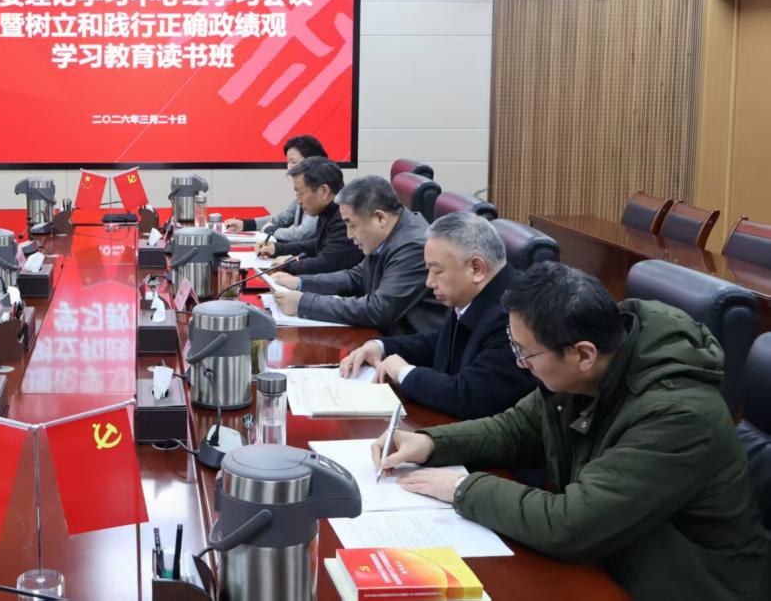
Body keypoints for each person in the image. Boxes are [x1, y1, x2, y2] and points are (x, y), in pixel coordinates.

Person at [375, 262, 771, 600]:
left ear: (583, 354)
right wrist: (430, 443)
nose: (521, 364)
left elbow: (571, 524)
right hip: (613, 564)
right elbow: (516, 428)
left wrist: (463, 488)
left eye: (525, 352)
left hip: (687, 587)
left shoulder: (678, 414)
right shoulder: (589, 370)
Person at [340, 211, 533, 419]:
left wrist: (404, 373)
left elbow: (472, 396)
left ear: (476, 268)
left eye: (437, 271)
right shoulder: (473, 294)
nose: (429, 282)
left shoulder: (514, 315)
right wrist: (381, 347)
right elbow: (439, 342)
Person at [270, 174, 443, 332]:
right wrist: (300, 282)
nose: (349, 234)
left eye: (351, 225)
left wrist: (304, 303)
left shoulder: (412, 247)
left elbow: (378, 310)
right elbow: (355, 277)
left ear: (380, 218)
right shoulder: (389, 233)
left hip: (405, 345)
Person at [257, 156, 362, 275]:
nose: (298, 200)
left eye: (300, 193)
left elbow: (327, 264)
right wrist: (277, 249)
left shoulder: (344, 217)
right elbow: (318, 244)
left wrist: (288, 265)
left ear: (324, 191)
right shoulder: (329, 210)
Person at [224, 134, 326, 244]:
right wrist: (245, 224)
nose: (289, 167)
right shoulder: (306, 189)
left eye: (294, 162)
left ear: (312, 161)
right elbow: (283, 218)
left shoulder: (321, 191)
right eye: (288, 162)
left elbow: (302, 234)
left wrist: (272, 231)